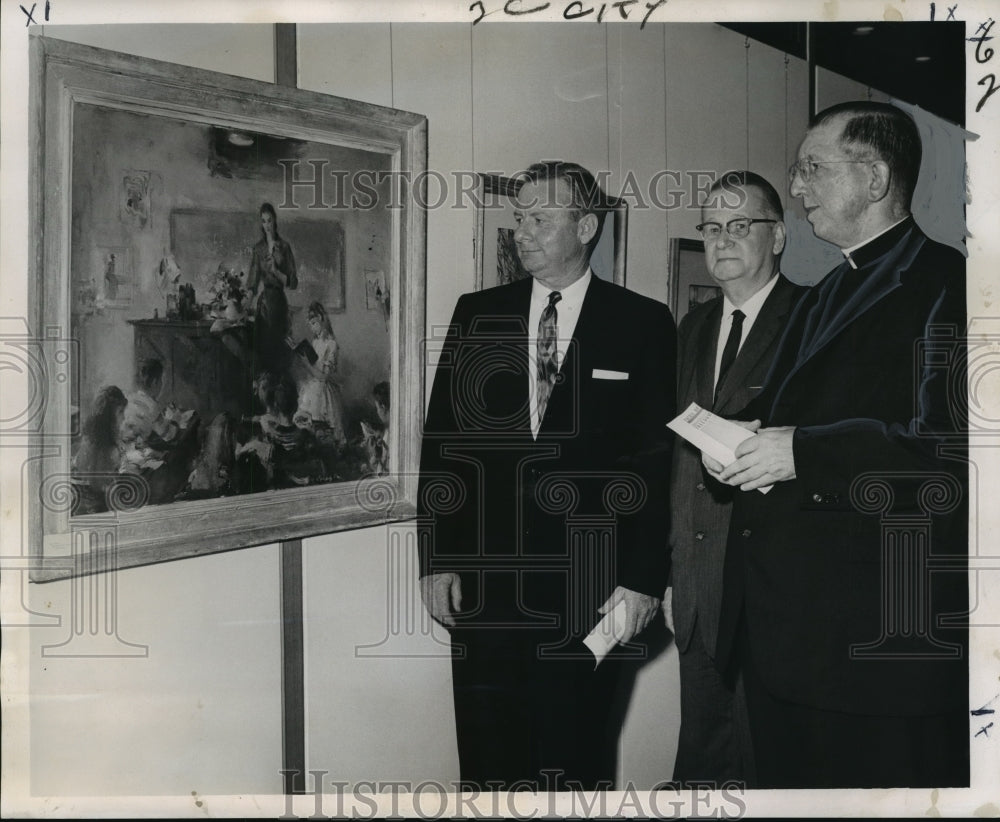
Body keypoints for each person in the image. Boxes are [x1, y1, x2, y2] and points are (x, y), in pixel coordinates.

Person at [706, 102, 968, 788]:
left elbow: (951, 455)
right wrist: (731, 443)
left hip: (876, 649)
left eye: (811, 169)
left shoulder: (955, 286)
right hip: (785, 642)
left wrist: (805, 453)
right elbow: (784, 414)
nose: (796, 189)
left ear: (876, 176)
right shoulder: (824, 291)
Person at [418, 161, 676, 790]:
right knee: (486, 757)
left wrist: (643, 581)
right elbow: (443, 446)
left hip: (591, 586)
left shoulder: (641, 323)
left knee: (575, 757)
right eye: (517, 219)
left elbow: (657, 463)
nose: (521, 233)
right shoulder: (478, 313)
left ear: (586, 226)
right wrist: (435, 559)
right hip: (485, 586)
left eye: (539, 219)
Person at [667, 171, 806, 786]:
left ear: (777, 236)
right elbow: (676, 459)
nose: (722, 241)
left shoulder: (814, 318)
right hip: (697, 589)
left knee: (771, 767)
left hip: (773, 590)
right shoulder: (692, 327)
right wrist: (668, 571)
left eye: (740, 226)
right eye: (712, 228)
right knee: (702, 758)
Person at [248, 202, 298, 371]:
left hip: (278, 303)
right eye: (263, 221)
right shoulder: (258, 249)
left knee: (279, 351)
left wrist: (276, 271)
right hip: (264, 304)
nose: (267, 225)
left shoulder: (284, 247)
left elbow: (292, 282)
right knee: (262, 351)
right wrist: (245, 304)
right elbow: (252, 282)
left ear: (275, 220)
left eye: (269, 220)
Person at [293, 301, 346, 445]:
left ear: (322, 319)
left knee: (325, 431)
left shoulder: (332, 345)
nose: (312, 328)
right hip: (312, 388)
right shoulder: (315, 342)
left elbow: (324, 377)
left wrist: (306, 363)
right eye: (310, 324)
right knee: (308, 427)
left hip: (324, 390)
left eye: (314, 323)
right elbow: (314, 369)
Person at [72, 385, 127, 514]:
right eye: (120, 412)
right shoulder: (110, 451)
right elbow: (108, 492)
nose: (124, 417)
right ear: (109, 418)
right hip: (97, 510)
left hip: (79, 505)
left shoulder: (89, 440)